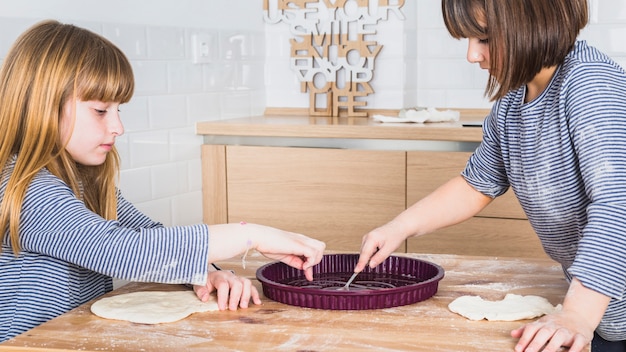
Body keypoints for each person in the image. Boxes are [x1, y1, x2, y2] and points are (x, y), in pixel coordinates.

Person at [0, 20, 325, 343]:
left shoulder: (83, 179)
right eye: (100, 111)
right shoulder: (27, 190)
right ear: (42, 108)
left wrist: (206, 274)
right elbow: (125, 251)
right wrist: (251, 234)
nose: (117, 127)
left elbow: (150, 237)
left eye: (118, 110)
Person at [355, 0, 626, 351]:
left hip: (593, 307)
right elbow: (475, 184)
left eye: (483, 38)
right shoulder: (513, 102)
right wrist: (398, 228)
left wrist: (577, 315)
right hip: (601, 308)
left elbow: (618, 206)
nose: (472, 55)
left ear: (534, 24)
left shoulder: (590, 87)